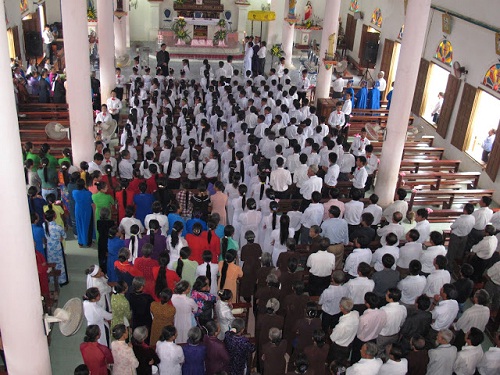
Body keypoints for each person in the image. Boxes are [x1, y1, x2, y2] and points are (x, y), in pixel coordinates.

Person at [43, 209, 68, 285]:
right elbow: (64, 235)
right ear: (54, 217)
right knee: (60, 263)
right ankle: (62, 280)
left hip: (49, 248)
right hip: (57, 247)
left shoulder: (44, 225)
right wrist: (61, 238)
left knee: (51, 262)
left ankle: (52, 279)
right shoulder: (58, 227)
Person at [73, 178, 94, 247]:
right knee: (88, 226)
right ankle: (89, 242)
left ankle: (80, 242)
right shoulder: (89, 193)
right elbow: (91, 201)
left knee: (79, 226)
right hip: (87, 210)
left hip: (78, 210)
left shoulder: (74, 192)